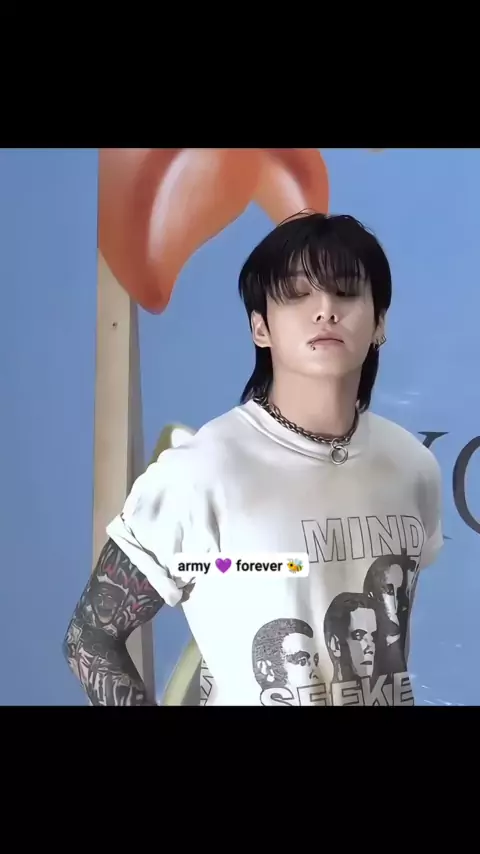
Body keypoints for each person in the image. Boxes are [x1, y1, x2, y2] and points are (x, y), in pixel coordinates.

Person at [63, 211, 443, 707]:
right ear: (260, 327)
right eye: (298, 294)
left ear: (379, 324)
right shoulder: (200, 472)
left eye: (346, 292)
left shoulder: (412, 465)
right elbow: (90, 638)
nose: (325, 309)